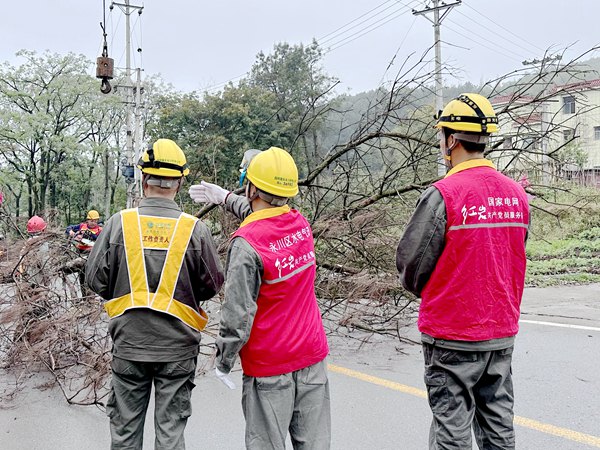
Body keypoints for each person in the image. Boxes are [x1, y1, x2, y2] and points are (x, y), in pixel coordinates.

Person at [396, 93, 530, 450]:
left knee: (451, 431)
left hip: (452, 336)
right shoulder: (516, 195)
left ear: (452, 140)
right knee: (499, 427)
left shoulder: (443, 194)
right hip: (500, 333)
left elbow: (411, 264)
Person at [86, 138, 224, 450]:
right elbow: (212, 285)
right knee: (170, 434)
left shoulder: (119, 224)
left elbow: (95, 279)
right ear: (179, 183)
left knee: (124, 434)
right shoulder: (195, 230)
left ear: (144, 180)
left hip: (130, 346)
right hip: (177, 351)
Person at [189, 147, 331, 450]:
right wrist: (224, 197)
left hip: (270, 367)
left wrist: (224, 359)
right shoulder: (300, 225)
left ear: (251, 186)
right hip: (312, 358)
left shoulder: (246, 243)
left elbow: (237, 313)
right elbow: (263, 211)